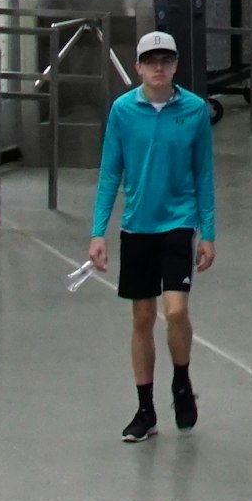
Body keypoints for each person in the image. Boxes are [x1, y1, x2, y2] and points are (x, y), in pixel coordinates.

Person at [90, 28, 217, 442]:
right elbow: (111, 172)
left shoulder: (195, 110)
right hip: (138, 226)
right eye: (151, 61)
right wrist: (98, 232)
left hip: (178, 224)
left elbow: (203, 173)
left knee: (176, 311)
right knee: (142, 316)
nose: (158, 68)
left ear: (176, 65)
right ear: (138, 67)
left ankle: (181, 380)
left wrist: (208, 232)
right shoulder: (123, 111)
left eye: (166, 61)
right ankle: (145, 408)